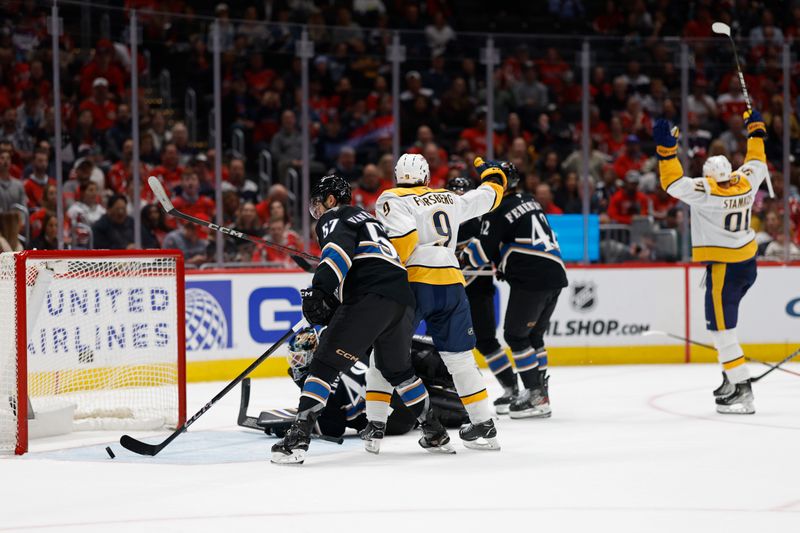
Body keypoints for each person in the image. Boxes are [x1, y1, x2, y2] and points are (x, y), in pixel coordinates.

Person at [271, 174, 453, 465]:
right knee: (399, 371)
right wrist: (337, 298)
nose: (316, 211)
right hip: (402, 301)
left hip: (372, 297)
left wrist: (319, 291)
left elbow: (337, 255)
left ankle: (297, 440)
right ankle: (434, 431)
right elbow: (367, 263)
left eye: (318, 204)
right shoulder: (370, 220)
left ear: (330, 200)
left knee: (325, 364)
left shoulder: (333, 217)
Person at [375, 153, 506, 450]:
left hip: (415, 282)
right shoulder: (448, 197)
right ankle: (484, 425)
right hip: (451, 282)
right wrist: (494, 176)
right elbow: (489, 197)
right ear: (426, 176)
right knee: (460, 359)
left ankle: (376, 425)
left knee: (386, 351)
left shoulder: (392, 197)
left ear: (397, 176)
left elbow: (405, 240)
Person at [653, 110, 770, 414]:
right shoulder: (745, 181)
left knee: (721, 329)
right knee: (725, 324)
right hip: (747, 262)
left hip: (724, 268)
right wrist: (755, 132)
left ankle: (741, 388)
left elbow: (673, 183)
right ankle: (731, 380)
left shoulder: (706, 191)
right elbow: (757, 162)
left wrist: (667, 153)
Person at [462, 162, 568, 418]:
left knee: (516, 336)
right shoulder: (530, 200)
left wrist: (456, 261)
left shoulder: (498, 208)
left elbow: (479, 252)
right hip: (555, 274)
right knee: (534, 338)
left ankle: (536, 396)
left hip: (532, 278)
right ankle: (540, 391)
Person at [258, 327, 468, 439]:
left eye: (301, 358)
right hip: (400, 391)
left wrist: (291, 426)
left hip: (393, 422)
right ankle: (465, 399)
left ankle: (457, 411)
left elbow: (332, 428)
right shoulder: (343, 351)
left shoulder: (320, 380)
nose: (297, 364)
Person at [448, 176, 517, 414]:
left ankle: (511, 388)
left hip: (478, 289)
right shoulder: (443, 221)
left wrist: (499, 263)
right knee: (449, 347)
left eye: (462, 192)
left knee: (486, 341)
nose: (458, 196)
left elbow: (492, 244)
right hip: (452, 290)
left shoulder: (480, 222)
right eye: (454, 192)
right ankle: (449, 394)